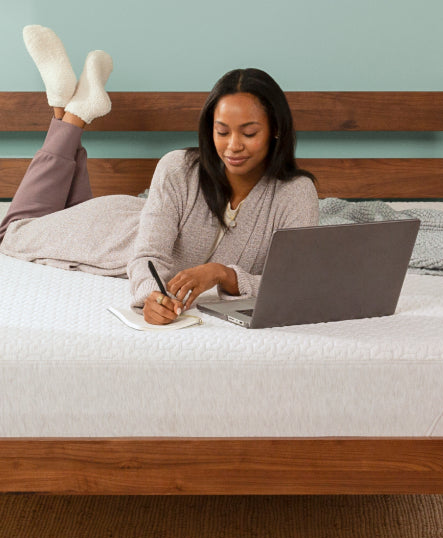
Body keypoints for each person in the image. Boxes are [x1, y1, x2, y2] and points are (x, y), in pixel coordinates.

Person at [0, 26, 319, 325]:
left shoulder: (296, 193)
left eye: (248, 133)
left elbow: (299, 284)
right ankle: (70, 117)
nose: (233, 146)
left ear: (275, 129)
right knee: (12, 232)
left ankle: (67, 112)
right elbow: (147, 255)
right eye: (222, 132)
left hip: (139, 217)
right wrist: (148, 296)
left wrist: (224, 274)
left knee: (60, 212)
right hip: (114, 237)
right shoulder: (178, 167)